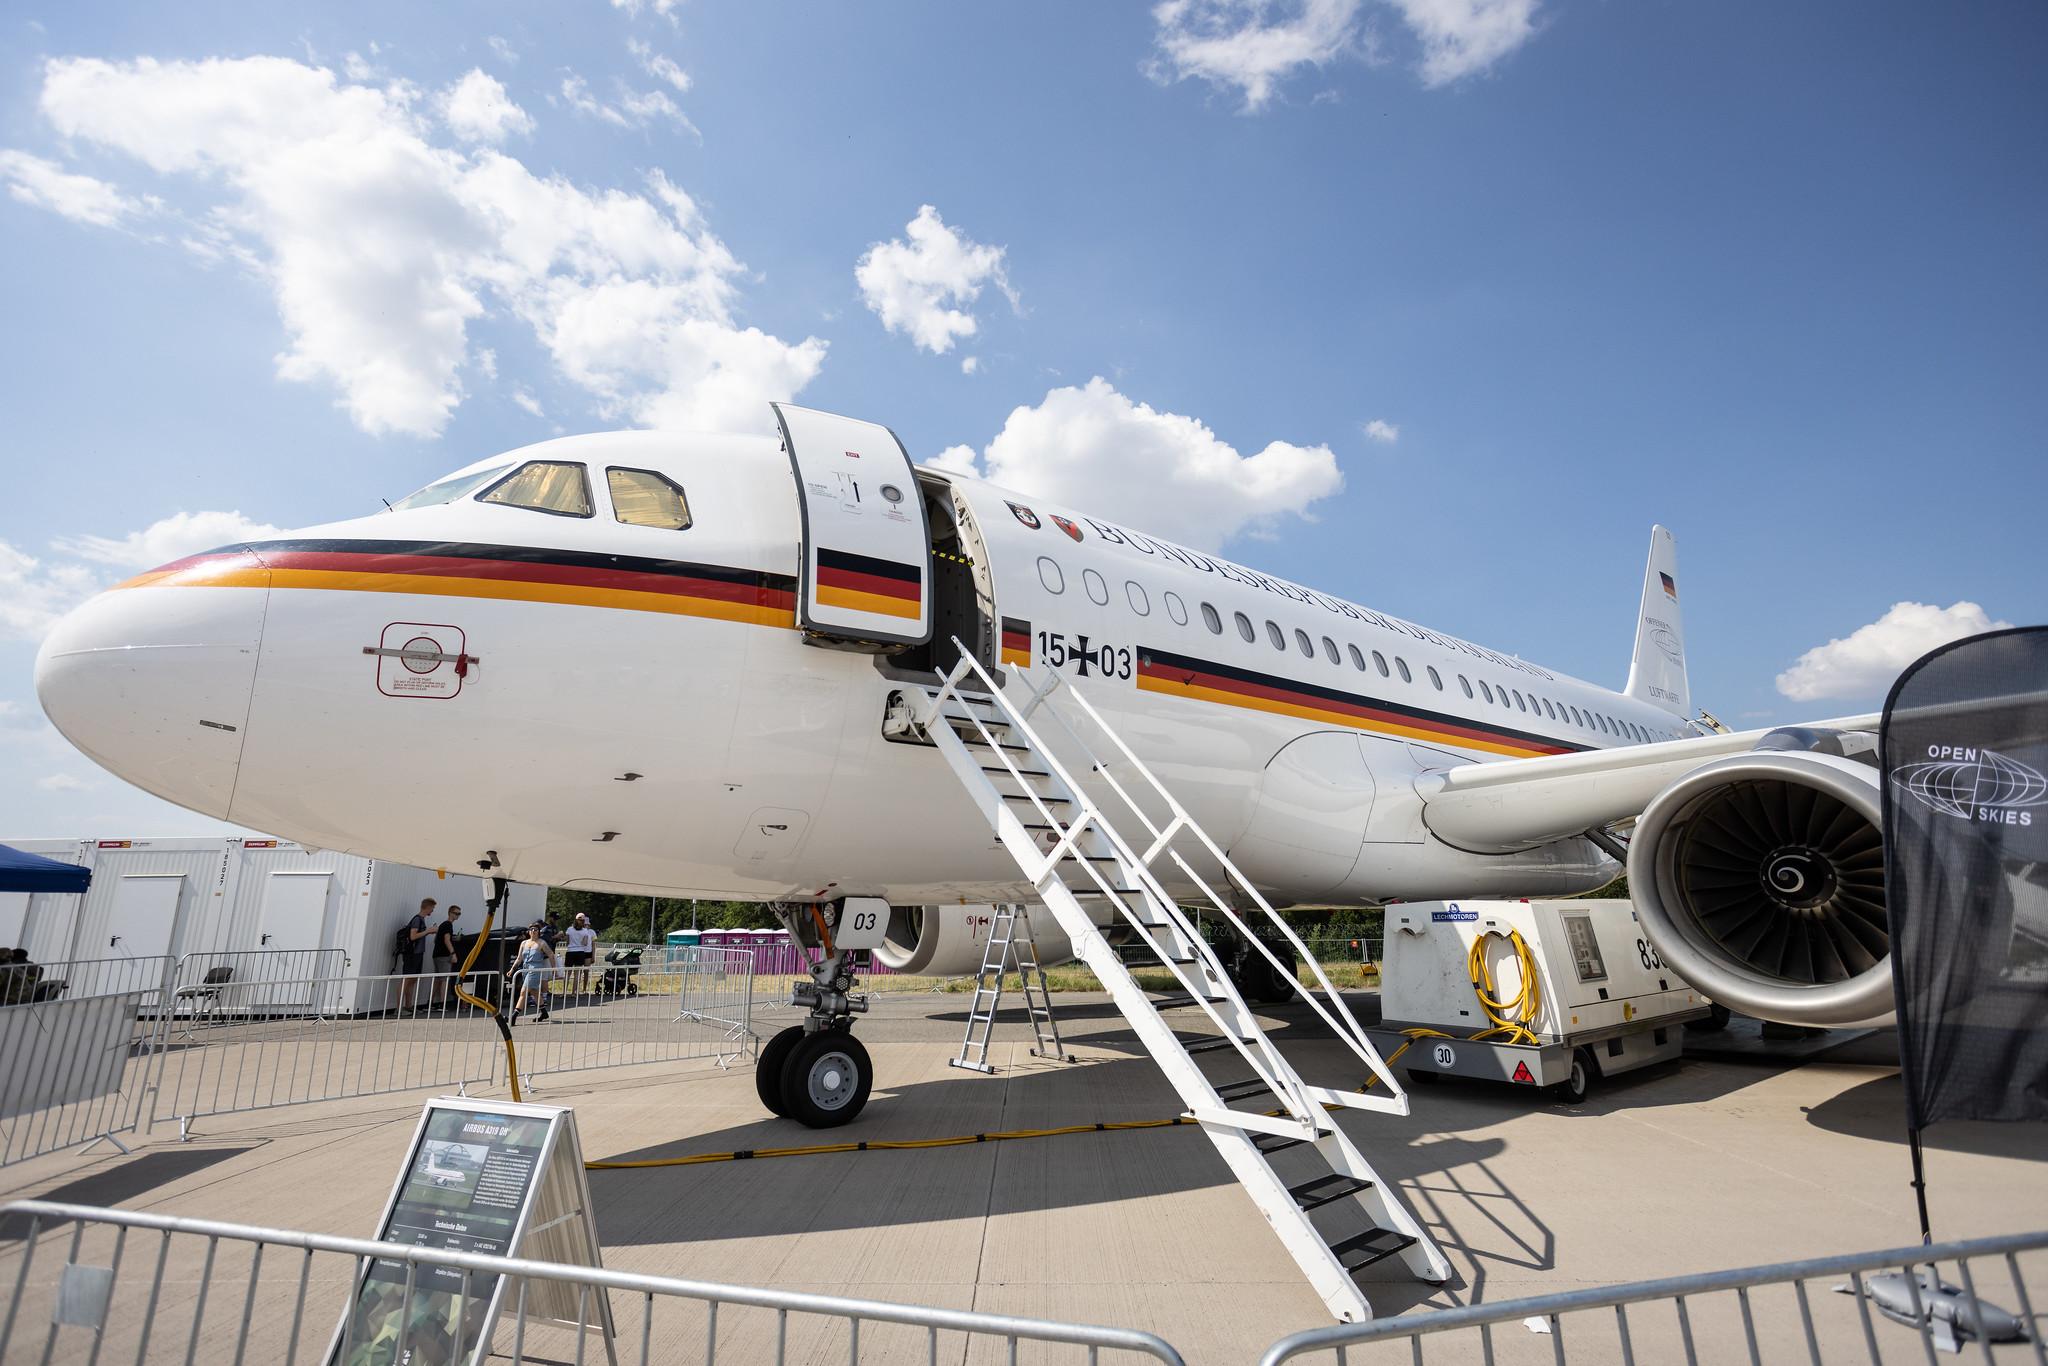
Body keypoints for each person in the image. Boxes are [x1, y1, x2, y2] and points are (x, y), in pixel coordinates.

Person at [510, 922, 555, 1025]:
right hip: (525, 968)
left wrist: (554, 969)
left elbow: (551, 955)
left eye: (535, 929)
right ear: (529, 931)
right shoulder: (524, 943)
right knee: (534, 992)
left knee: (523, 992)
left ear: (539, 932)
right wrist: (512, 969)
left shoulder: (541, 943)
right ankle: (544, 1012)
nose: (533, 931)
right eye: (531, 929)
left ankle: (514, 1016)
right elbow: (519, 958)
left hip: (535, 969)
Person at [396, 898, 433, 1014]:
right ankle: (398, 1009)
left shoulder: (421, 920)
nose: (432, 911)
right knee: (406, 979)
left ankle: (408, 1006)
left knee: (413, 979)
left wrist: (428, 931)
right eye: (432, 908)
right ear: (427, 907)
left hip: (418, 953)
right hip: (412, 954)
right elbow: (413, 936)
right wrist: (428, 931)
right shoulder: (417, 919)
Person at [432, 906, 463, 1008]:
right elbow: (446, 940)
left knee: (438, 979)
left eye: (459, 914)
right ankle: (442, 1003)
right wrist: (453, 953)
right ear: (450, 913)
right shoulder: (448, 925)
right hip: (444, 955)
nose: (457, 915)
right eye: (456, 913)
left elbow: (438, 939)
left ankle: (431, 1002)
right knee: (444, 979)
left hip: (437, 955)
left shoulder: (443, 925)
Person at [563, 913, 596, 998]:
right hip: (580, 952)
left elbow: (567, 942)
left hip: (570, 951)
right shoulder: (585, 931)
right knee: (577, 974)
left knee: (567, 973)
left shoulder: (569, 929)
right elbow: (585, 943)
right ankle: (573, 993)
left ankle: (564, 992)